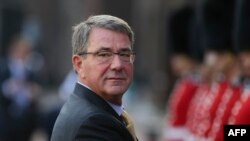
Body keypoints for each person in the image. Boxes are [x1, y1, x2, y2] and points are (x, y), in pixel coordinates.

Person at [51, 15, 138, 141]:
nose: (117, 65)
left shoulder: (87, 110)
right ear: (79, 64)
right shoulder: (94, 123)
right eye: (104, 54)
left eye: (125, 54)